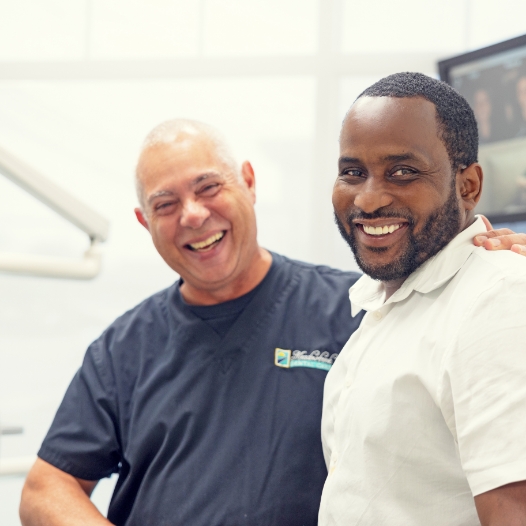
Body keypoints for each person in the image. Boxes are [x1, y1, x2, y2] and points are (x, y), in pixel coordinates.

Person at [19, 118, 526, 526]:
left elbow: (457, 306)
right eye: (165, 204)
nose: (193, 215)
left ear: (249, 182)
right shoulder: (124, 347)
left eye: (208, 187)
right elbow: (46, 488)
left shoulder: (359, 309)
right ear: (144, 223)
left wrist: (492, 254)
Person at [319, 72, 526, 526]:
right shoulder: (386, 305)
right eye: (353, 172)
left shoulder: (500, 298)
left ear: (467, 185)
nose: (369, 200)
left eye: (403, 172)